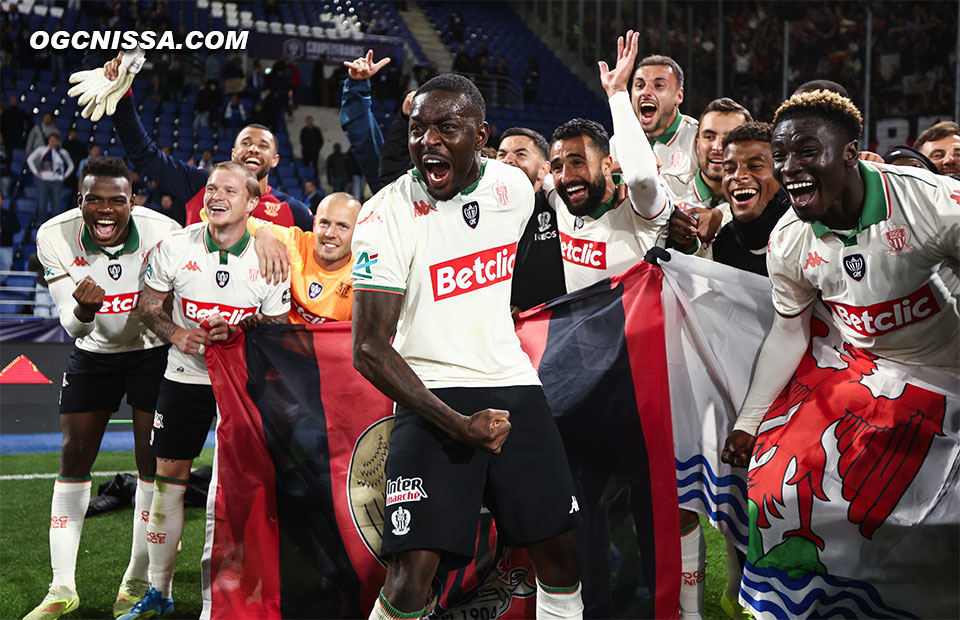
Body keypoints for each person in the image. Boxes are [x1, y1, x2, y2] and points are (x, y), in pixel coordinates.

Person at [720, 88, 959, 620]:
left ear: (851, 152)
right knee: (776, 479)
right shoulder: (788, 238)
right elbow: (788, 332)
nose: (790, 167)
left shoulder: (930, 201)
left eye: (807, 150)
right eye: (782, 155)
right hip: (875, 375)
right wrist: (749, 420)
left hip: (951, 370)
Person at [351, 73, 583, 620]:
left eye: (445, 128)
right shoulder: (385, 214)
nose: (427, 141)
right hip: (432, 392)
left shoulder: (513, 189)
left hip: (515, 385)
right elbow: (368, 348)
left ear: (480, 135)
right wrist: (458, 425)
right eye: (416, 129)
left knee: (561, 554)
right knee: (411, 574)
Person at [120, 162, 290, 619]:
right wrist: (177, 333)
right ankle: (160, 591)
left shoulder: (271, 257)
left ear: (252, 204)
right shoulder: (175, 246)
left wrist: (240, 328)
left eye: (229, 190)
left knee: (247, 491)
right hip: (184, 378)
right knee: (167, 487)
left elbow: (278, 328)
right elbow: (147, 306)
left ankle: (243, 590)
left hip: (244, 386)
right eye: (211, 188)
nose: (216, 195)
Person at [25, 156, 180, 620]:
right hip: (92, 350)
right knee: (73, 456)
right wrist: (86, 310)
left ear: (134, 201)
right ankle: (61, 587)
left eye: (118, 199)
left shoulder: (163, 232)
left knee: (149, 463)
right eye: (95, 199)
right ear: (80, 201)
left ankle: (134, 580)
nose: (106, 209)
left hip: (151, 351)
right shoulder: (53, 234)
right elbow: (71, 327)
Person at [100, 52, 312, 230]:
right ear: (233, 154)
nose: (254, 149)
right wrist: (123, 96)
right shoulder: (201, 184)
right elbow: (144, 155)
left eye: (263, 146)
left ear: (275, 160)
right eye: (246, 143)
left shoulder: (293, 213)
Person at [548, 32, 671, 295]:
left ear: (607, 165)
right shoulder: (561, 200)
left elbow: (642, 179)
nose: (566, 176)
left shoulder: (640, 213)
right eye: (557, 167)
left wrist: (617, 93)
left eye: (577, 162)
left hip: (636, 335)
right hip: (580, 335)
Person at [252, 192, 361, 324]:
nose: (330, 233)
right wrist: (262, 232)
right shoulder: (295, 243)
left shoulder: (362, 276)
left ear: (358, 231)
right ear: (314, 224)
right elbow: (241, 222)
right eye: (324, 223)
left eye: (342, 227)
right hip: (282, 341)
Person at [663, 98, 752, 258]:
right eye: (709, 137)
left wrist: (722, 213)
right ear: (698, 145)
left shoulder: (761, 203)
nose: (717, 147)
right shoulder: (667, 193)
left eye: (729, 137)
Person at [496, 127, 566, 312]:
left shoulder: (561, 210)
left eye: (520, 154)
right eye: (501, 154)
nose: (508, 160)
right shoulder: (482, 214)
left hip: (554, 329)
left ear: (544, 169)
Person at [626, 53, 698, 182]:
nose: (645, 92)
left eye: (659, 85)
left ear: (679, 96)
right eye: (639, 86)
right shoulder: (620, 141)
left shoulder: (698, 139)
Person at [28, 132, 74, 221]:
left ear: (58, 142)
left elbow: (71, 165)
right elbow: (30, 159)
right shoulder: (42, 149)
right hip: (44, 180)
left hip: (57, 181)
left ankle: (53, 227)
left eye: (54, 140)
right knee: (42, 205)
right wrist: (36, 173)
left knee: (55, 206)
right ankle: (40, 225)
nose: (52, 142)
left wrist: (64, 176)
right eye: (51, 140)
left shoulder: (62, 152)